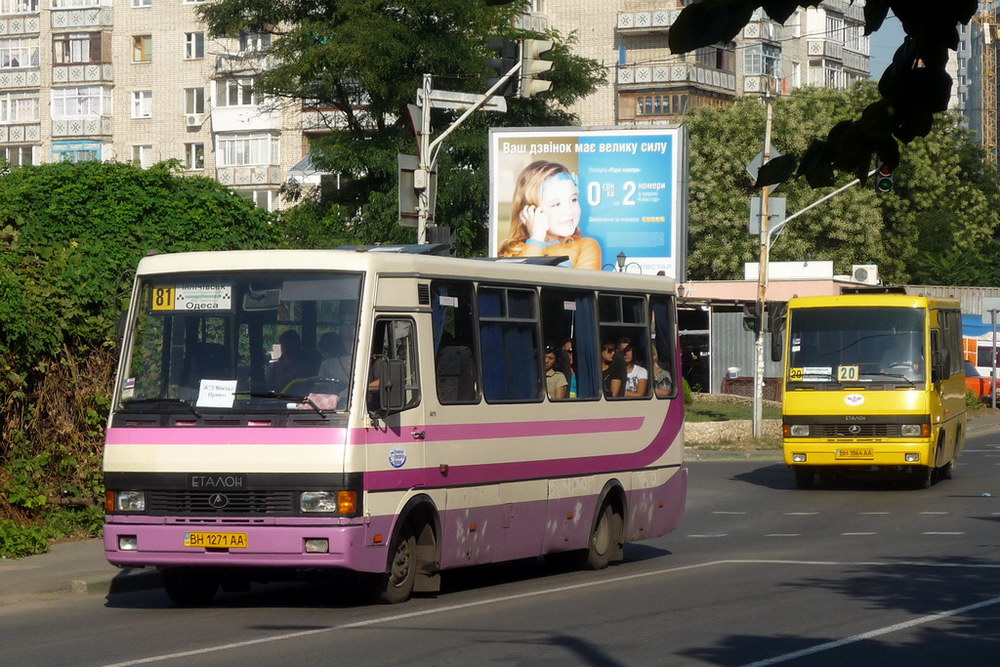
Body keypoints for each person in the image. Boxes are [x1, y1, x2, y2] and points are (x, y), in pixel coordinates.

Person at [497, 160, 602, 270]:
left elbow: (583, 285)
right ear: (530, 212)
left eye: (573, 199)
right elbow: (527, 280)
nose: (569, 211)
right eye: (556, 204)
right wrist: (536, 238)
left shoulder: (586, 246)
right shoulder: (512, 252)